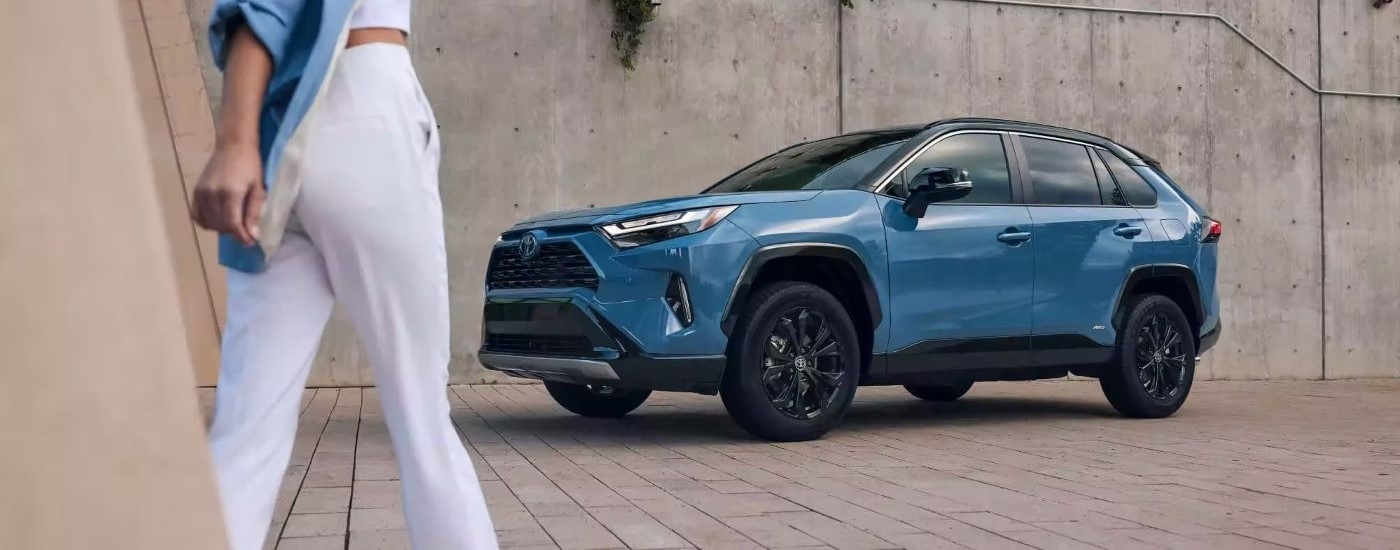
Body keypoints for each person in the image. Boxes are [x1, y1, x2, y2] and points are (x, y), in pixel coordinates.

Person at [192, 0, 497, 548]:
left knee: (246, 431)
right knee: (421, 418)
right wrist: (233, 142)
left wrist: (241, 141)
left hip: (279, 120)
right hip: (362, 100)